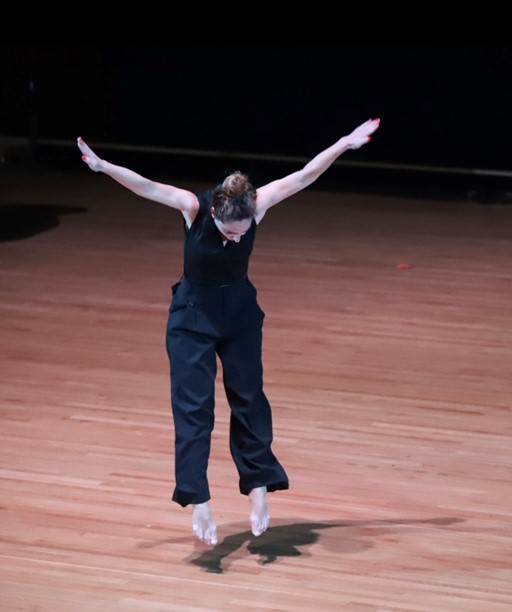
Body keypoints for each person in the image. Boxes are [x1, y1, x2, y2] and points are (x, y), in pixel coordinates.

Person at [77, 117, 380, 546]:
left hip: (239, 312)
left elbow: (304, 175)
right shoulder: (194, 207)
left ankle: (258, 490)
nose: (237, 239)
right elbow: (146, 186)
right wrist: (103, 166)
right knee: (194, 408)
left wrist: (344, 143)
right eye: (229, 233)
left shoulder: (257, 204)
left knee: (249, 399)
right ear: (217, 213)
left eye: (243, 233)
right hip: (192, 315)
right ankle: (199, 499)